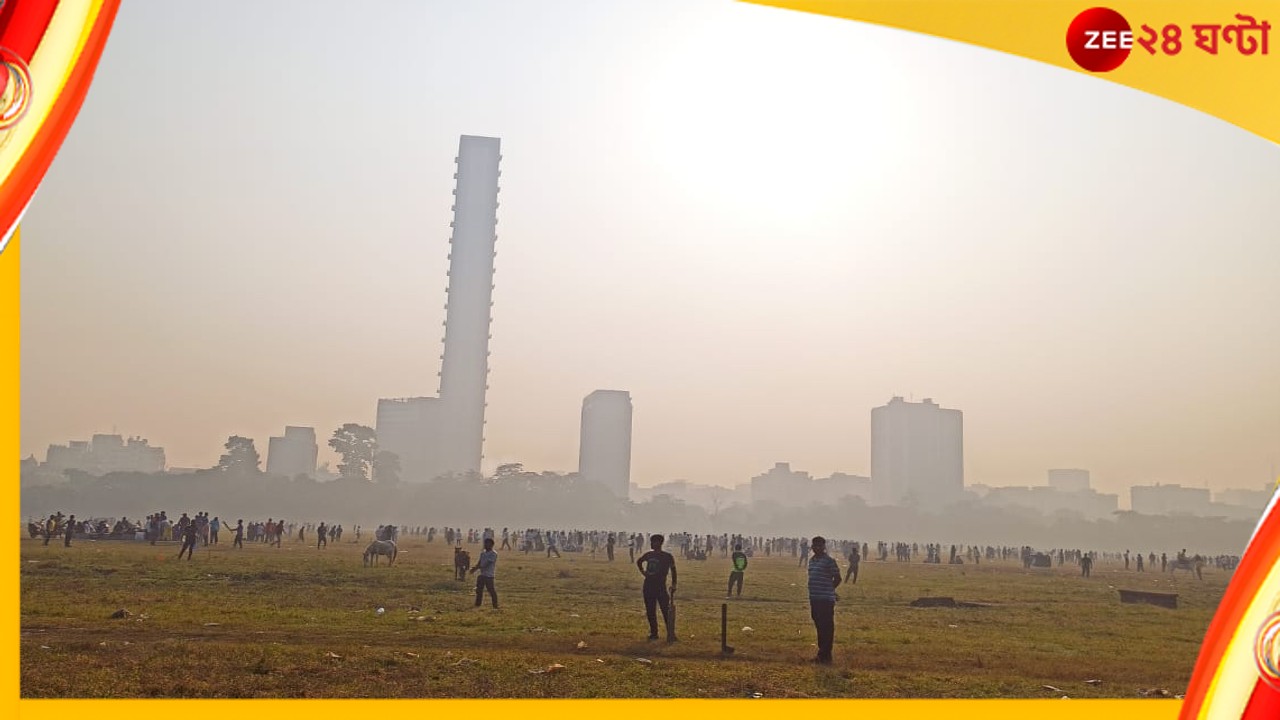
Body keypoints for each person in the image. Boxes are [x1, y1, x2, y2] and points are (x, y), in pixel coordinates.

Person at [636, 534, 678, 642]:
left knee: (665, 610)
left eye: (653, 542)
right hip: (648, 586)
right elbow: (639, 561)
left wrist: (674, 584)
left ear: (659, 543)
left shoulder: (667, 556)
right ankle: (654, 633)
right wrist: (643, 572)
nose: (652, 544)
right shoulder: (649, 555)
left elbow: (673, 570)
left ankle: (671, 633)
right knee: (650, 611)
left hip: (660, 587)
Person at [807, 536, 841, 664]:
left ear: (824, 547)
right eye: (815, 546)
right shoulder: (812, 561)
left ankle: (825, 656)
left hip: (825, 599)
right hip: (814, 598)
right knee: (819, 626)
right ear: (812, 547)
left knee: (826, 627)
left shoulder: (829, 561)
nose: (817, 548)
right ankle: (822, 654)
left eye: (820, 546)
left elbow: (837, 578)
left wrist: (830, 589)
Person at [469, 538, 499, 609]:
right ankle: (477, 604)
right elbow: (479, 562)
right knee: (479, 590)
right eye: (485, 543)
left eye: (487, 543)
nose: (485, 545)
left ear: (491, 545)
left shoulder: (493, 554)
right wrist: (475, 568)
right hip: (482, 574)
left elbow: (486, 564)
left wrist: (475, 568)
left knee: (491, 590)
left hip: (489, 575)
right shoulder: (483, 553)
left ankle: (495, 605)